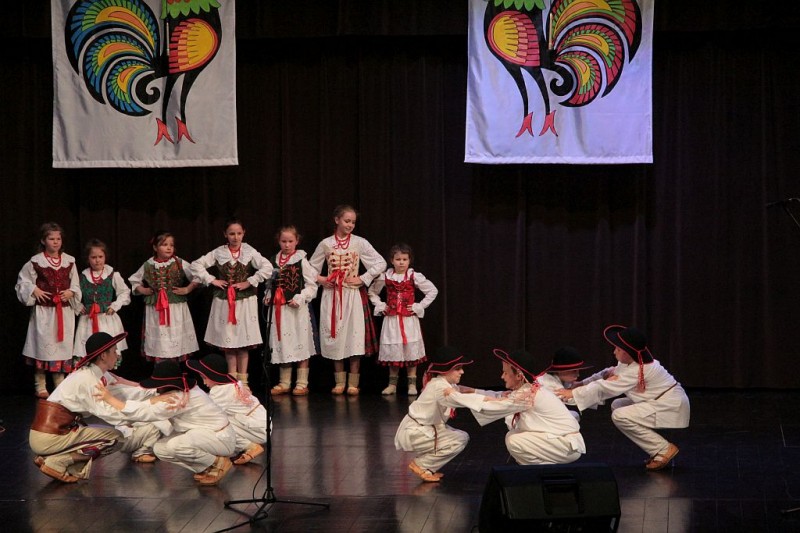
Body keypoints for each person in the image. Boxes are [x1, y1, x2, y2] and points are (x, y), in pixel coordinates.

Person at [29, 332, 164, 483]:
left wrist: (159, 392)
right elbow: (111, 414)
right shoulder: (88, 380)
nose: (117, 355)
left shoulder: (96, 374)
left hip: (55, 432)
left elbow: (125, 391)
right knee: (116, 438)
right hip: (50, 437)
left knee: (109, 431)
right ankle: (59, 461)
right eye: (114, 351)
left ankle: (55, 459)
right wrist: (149, 412)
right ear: (103, 356)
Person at [556, 325, 690, 471]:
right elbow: (606, 374)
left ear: (628, 353)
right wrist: (582, 384)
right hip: (659, 401)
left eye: (618, 349)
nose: (614, 352)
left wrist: (573, 393)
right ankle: (657, 448)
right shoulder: (630, 363)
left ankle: (663, 449)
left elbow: (605, 387)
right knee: (618, 405)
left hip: (670, 406)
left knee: (620, 415)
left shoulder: (636, 370)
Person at [309, 205, 386, 395]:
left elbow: (380, 263)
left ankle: (353, 382)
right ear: (337, 220)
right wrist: (322, 279)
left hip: (352, 295)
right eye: (347, 221)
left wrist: (363, 278)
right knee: (335, 337)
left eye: (353, 222)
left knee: (353, 337)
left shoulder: (359, 243)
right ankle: (339, 381)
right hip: (332, 296)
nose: (350, 225)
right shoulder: (326, 244)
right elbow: (310, 269)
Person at [124, 360, 237, 485]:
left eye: (159, 385)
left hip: (221, 438)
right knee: (160, 449)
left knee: (175, 445)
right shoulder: (182, 390)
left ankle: (218, 464)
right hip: (206, 435)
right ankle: (207, 468)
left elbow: (146, 413)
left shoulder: (176, 397)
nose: (157, 389)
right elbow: (146, 398)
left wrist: (113, 402)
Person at [191, 218, 273, 387]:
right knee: (229, 343)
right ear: (225, 234)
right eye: (232, 234)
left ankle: (243, 383)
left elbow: (267, 267)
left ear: (244, 233)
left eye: (239, 233)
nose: (235, 237)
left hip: (244, 302)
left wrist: (249, 281)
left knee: (243, 344)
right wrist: (212, 280)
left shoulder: (249, 251)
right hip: (224, 302)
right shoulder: (219, 252)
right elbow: (196, 265)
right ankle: (232, 382)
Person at [471, 349, 586, 466]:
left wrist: (459, 397)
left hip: (567, 446)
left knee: (514, 441)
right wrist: (470, 391)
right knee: (513, 435)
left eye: (505, 373)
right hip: (562, 441)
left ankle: (543, 470)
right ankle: (539, 469)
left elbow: (494, 407)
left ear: (518, 375)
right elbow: (499, 399)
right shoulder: (528, 390)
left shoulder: (528, 395)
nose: (502, 376)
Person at [394, 346, 488, 483]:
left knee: (460, 436)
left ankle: (426, 467)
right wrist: (499, 400)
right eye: (458, 368)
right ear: (446, 370)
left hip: (425, 429)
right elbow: (465, 399)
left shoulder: (444, 383)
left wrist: (497, 395)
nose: (462, 372)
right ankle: (421, 464)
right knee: (458, 439)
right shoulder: (440, 387)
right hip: (416, 432)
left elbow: (465, 391)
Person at [16, 222, 81, 398]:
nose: (55, 242)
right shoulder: (36, 262)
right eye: (51, 239)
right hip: (44, 313)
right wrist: (33, 289)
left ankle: (60, 383)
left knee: (61, 347)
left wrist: (71, 292)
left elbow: (75, 284)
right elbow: (22, 282)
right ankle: (40, 385)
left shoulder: (69, 261)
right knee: (42, 347)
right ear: (43, 241)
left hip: (63, 312)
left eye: (58, 239)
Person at [368, 243, 438, 396]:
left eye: (405, 259)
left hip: (408, 321)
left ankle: (412, 384)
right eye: (398, 259)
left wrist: (419, 306)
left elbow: (432, 290)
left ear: (409, 260)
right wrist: (381, 305)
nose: (401, 262)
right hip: (392, 320)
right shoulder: (386, 276)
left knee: (410, 352)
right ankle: (392, 384)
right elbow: (372, 292)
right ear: (392, 260)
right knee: (394, 352)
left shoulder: (414, 276)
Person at [129, 230, 200, 363]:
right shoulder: (148, 264)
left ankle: (174, 371)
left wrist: (187, 289)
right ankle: (161, 371)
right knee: (160, 341)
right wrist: (143, 290)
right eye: (164, 244)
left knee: (175, 338)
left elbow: (198, 275)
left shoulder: (179, 262)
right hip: (156, 309)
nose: (169, 248)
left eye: (171, 245)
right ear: (155, 247)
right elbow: (134, 280)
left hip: (175, 308)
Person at [264, 225, 319, 396]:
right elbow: (269, 284)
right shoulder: (273, 260)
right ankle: (284, 382)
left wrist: (300, 297)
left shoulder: (301, 260)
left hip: (297, 311)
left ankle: (302, 383)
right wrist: (268, 295)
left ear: (297, 241)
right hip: (279, 311)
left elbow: (312, 286)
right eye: (283, 241)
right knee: (283, 344)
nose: (287, 245)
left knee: (300, 343)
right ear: (278, 241)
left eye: (290, 241)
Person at [187, 353, 267, 465]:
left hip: (257, 428)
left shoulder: (220, 391)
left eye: (205, 378)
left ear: (213, 376)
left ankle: (249, 446)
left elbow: (204, 410)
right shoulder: (231, 384)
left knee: (214, 424)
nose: (204, 382)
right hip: (262, 424)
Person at [73, 239, 131, 362]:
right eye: (93, 257)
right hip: (88, 320)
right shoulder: (82, 277)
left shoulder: (112, 274)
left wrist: (115, 306)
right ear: (88, 258)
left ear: (105, 257)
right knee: (89, 351)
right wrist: (78, 306)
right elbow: (73, 293)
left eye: (100, 257)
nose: (97, 260)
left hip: (107, 319)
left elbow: (124, 292)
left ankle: (109, 372)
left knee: (107, 350)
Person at [536, 346, 594, 421]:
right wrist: (599, 388)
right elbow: (574, 399)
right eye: (574, 371)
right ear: (560, 371)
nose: (578, 375)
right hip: (540, 419)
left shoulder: (561, 380)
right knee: (572, 417)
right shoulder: (549, 383)